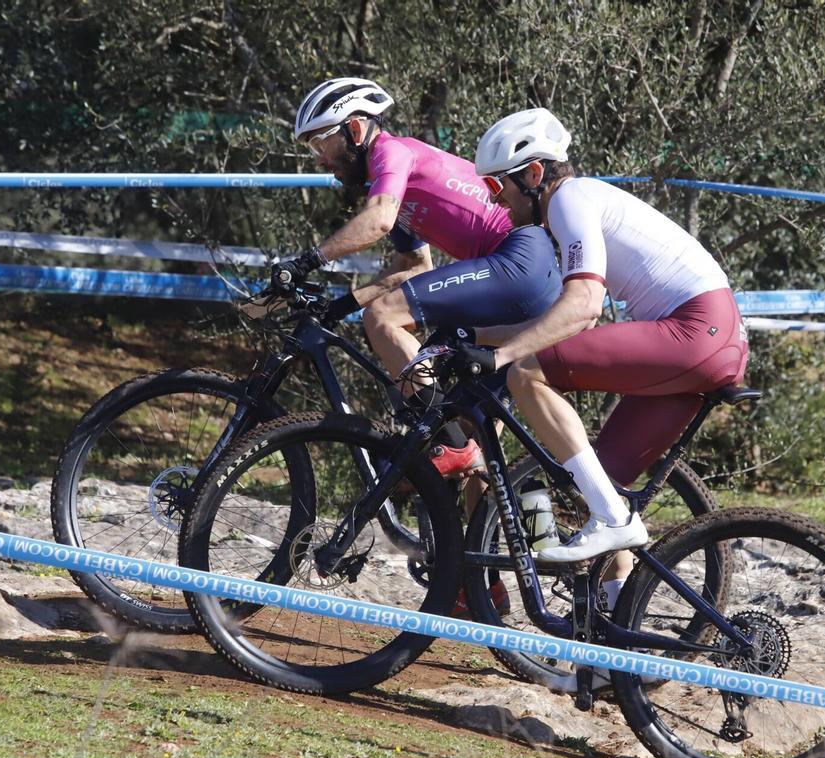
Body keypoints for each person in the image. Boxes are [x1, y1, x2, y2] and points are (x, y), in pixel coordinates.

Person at [462, 107, 748, 607]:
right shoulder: (582, 204)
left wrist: (503, 355)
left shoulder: (569, 199)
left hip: (695, 329)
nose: (496, 200)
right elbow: (572, 319)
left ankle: (611, 519)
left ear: (534, 174)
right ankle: (618, 638)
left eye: (495, 185)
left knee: (526, 374)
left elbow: (583, 307)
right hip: (714, 337)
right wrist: (477, 335)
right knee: (599, 483)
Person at [277, 78, 563, 477]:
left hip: (518, 261)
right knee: (478, 448)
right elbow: (413, 266)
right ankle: (487, 503)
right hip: (526, 279)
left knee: (382, 317)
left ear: (355, 129)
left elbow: (378, 220)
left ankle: (446, 440)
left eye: (320, 143)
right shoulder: (391, 182)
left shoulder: (391, 152)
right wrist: (342, 305)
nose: (320, 160)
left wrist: (306, 262)